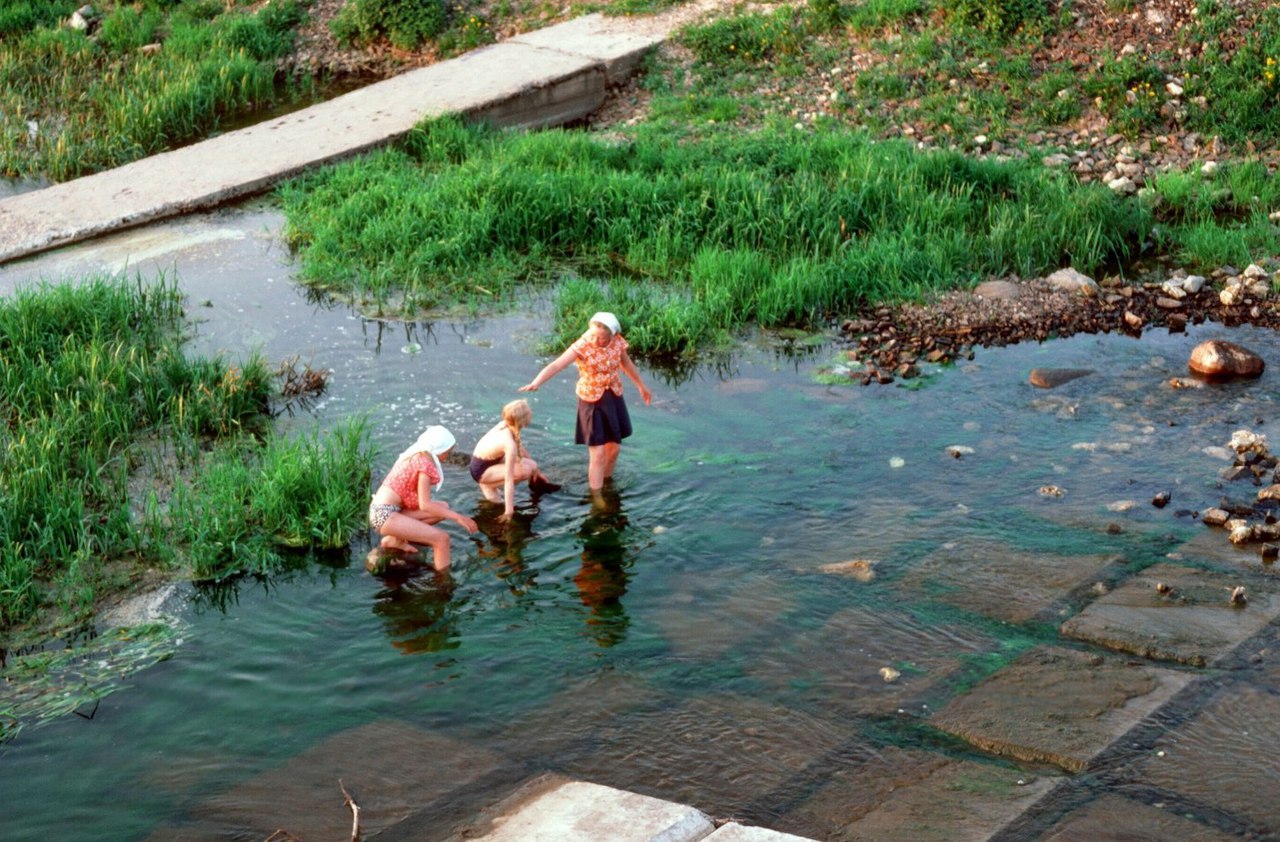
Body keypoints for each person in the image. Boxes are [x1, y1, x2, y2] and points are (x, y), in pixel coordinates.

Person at [519, 311, 652, 491]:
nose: (596, 341)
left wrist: (641, 386)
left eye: (602, 338)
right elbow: (558, 364)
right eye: (594, 336)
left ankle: (606, 484)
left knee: (614, 449)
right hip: (590, 399)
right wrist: (537, 382)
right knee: (597, 454)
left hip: (613, 396)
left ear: (612, 335)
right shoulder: (583, 344)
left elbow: (626, 364)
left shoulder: (617, 342)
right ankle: (596, 497)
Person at [368, 425, 478, 571]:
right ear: (439, 450)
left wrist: (451, 515)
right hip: (384, 515)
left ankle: (394, 540)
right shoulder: (425, 465)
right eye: (448, 451)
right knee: (441, 539)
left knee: (443, 507)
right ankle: (443, 583)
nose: (449, 454)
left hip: (381, 511)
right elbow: (425, 505)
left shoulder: (416, 455)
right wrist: (458, 518)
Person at [469, 398, 555, 521]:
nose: (531, 414)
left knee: (532, 465)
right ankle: (486, 485)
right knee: (525, 471)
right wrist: (509, 512)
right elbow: (509, 480)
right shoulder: (508, 444)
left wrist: (538, 471)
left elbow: (520, 446)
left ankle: (489, 486)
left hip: (487, 463)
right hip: (481, 471)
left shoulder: (506, 424)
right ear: (523, 419)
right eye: (529, 413)